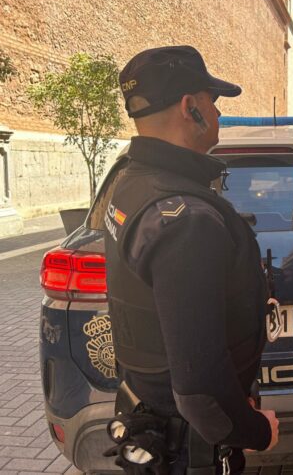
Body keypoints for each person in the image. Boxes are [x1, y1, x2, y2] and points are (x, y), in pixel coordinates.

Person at [103, 46, 279, 474]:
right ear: (190, 107)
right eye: (213, 102)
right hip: (187, 447)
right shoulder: (187, 220)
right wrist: (257, 432)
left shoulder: (129, 184)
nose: (218, 114)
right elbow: (199, 391)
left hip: (151, 420)